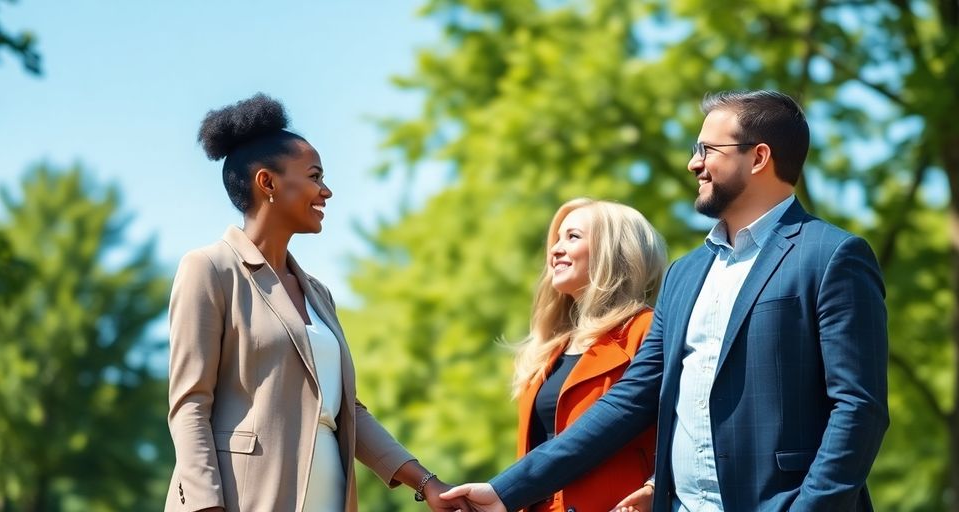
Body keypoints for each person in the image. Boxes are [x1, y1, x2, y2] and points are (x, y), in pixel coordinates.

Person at [442, 90, 889, 512]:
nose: (694, 163)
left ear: (758, 157)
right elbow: (629, 401)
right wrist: (506, 490)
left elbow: (858, 408)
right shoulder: (685, 274)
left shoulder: (832, 256)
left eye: (707, 149)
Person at [165, 93, 457, 512]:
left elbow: (346, 411)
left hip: (328, 494)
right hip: (245, 499)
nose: (327, 191)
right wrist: (205, 506)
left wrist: (426, 482)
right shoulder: (209, 269)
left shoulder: (319, 294)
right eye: (315, 176)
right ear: (267, 182)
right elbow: (190, 404)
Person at [509, 198, 666, 512]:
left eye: (572, 237)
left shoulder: (648, 330)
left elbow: (688, 428)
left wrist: (655, 486)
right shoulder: (549, 349)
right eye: (556, 239)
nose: (555, 249)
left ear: (614, 251)